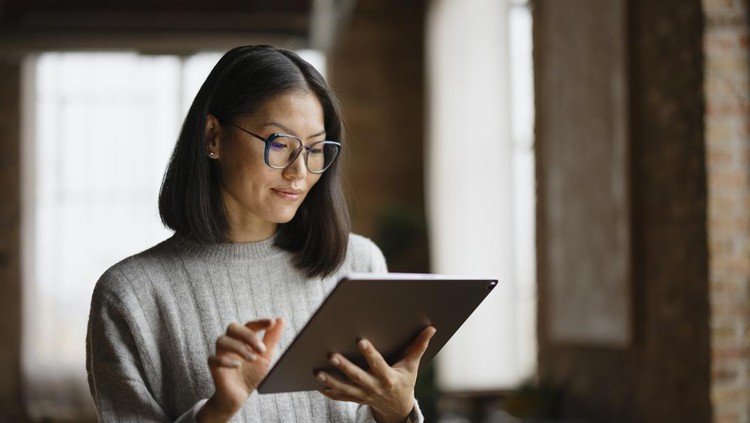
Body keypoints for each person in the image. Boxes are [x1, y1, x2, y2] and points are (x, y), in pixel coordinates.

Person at [86, 45, 436, 423]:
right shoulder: (132, 294)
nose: (299, 171)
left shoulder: (359, 264)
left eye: (316, 149)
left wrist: (397, 411)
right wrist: (219, 409)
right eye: (279, 143)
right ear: (212, 137)